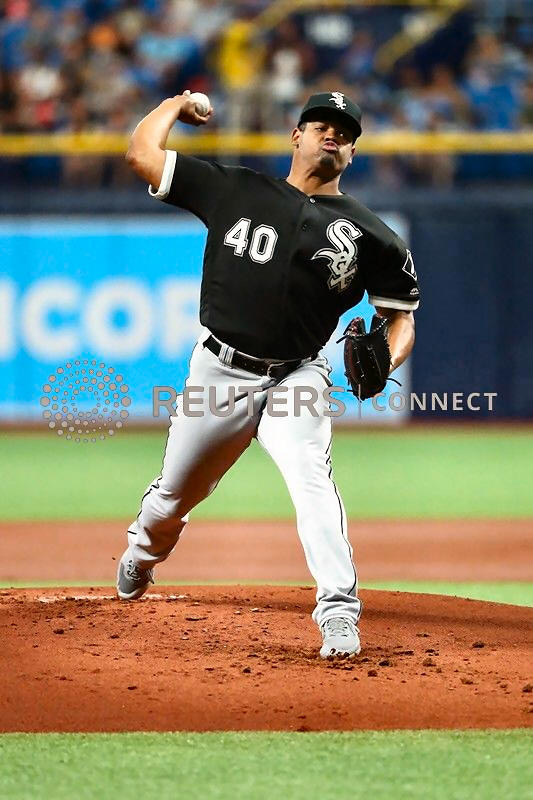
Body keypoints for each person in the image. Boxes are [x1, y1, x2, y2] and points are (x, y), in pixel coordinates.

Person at [119, 90, 420, 659]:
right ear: (295, 136)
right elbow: (142, 154)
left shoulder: (374, 236)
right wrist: (175, 105)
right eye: (320, 124)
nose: (332, 134)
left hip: (298, 376)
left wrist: (388, 357)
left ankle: (338, 612)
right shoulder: (235, 189)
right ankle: (144, 551)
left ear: (352, 153)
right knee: (174, 495)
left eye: (344, 132)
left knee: (312, 480)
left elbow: (400, 317)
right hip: (219, 372)